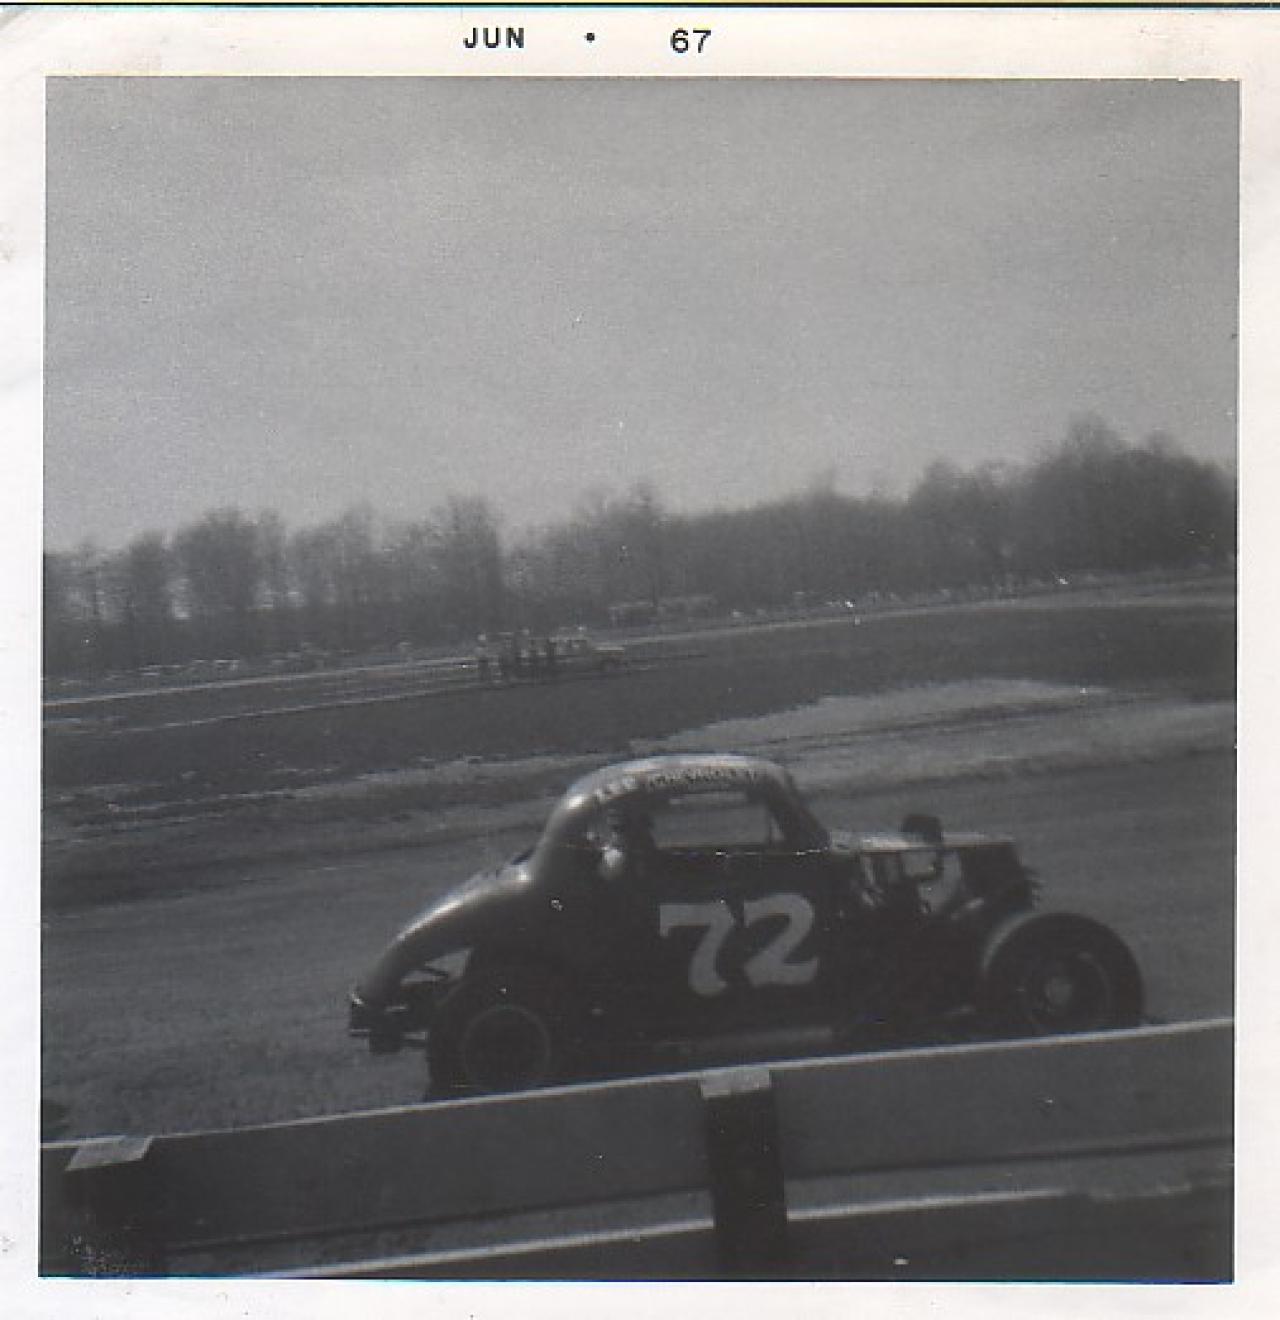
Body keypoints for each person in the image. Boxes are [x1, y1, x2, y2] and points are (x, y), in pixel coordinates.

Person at [598, 803, 657, 883]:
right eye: (611, 816)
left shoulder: (638, 839)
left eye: (614, 816)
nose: (611, 820)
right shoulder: (620, 838)